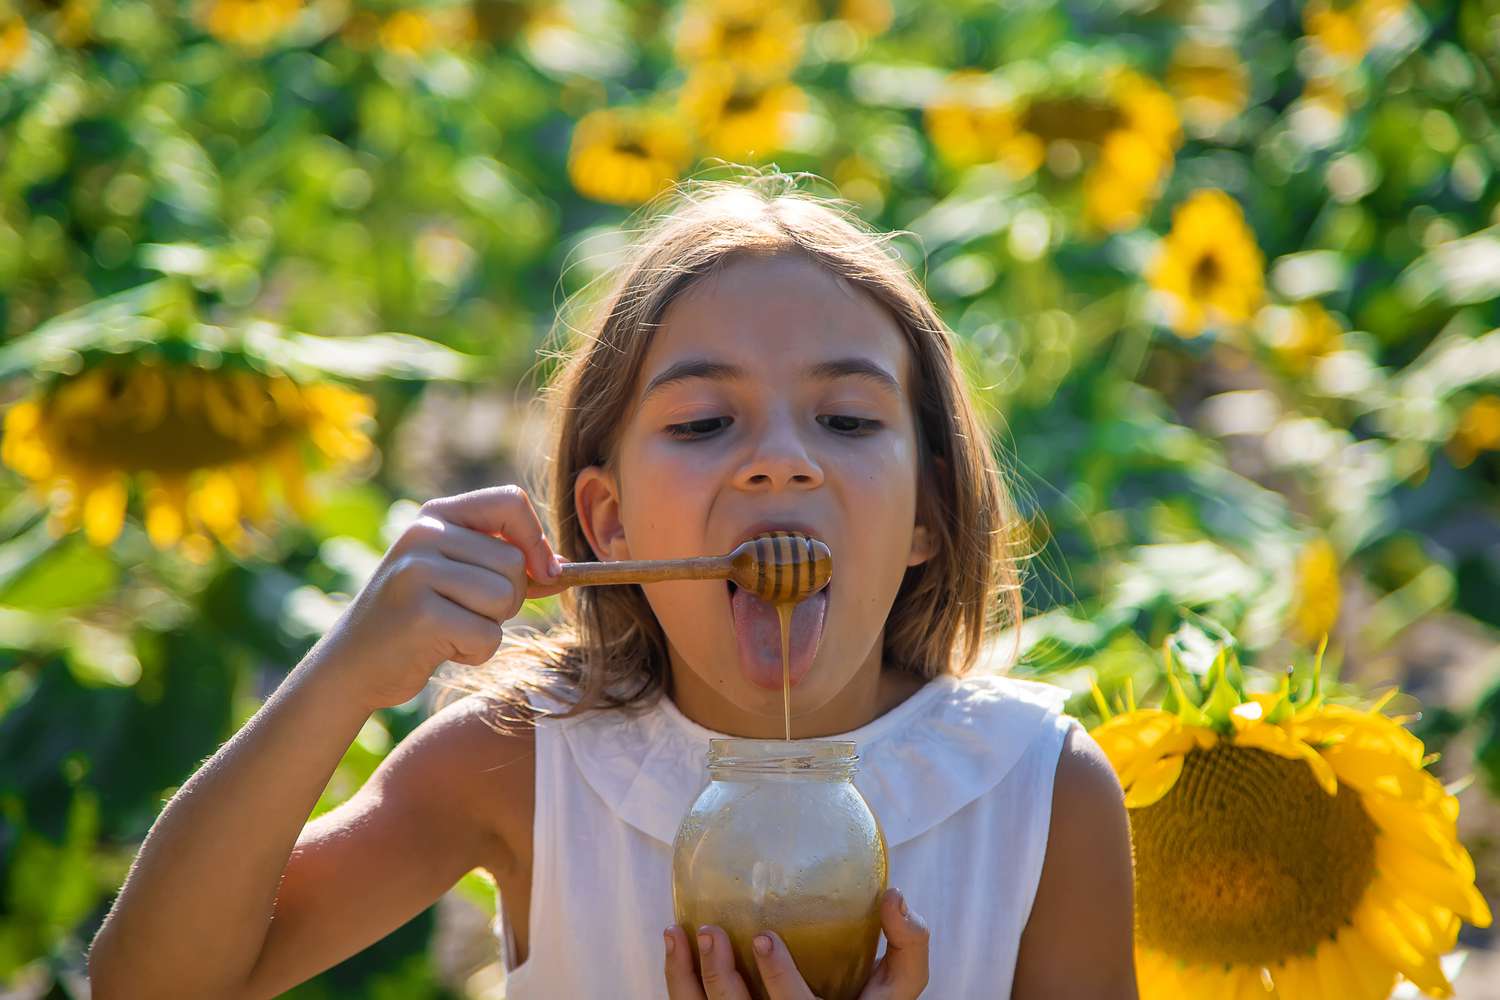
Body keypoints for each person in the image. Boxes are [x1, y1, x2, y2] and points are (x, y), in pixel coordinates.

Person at [87, 172, 1137, 999]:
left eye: (849, 420)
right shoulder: (525, 764)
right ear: (609, 521)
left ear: (925, 519)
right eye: (702, 423)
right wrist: (342, 674)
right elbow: (153, 982)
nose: (780, 460)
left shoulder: (1039, 792)